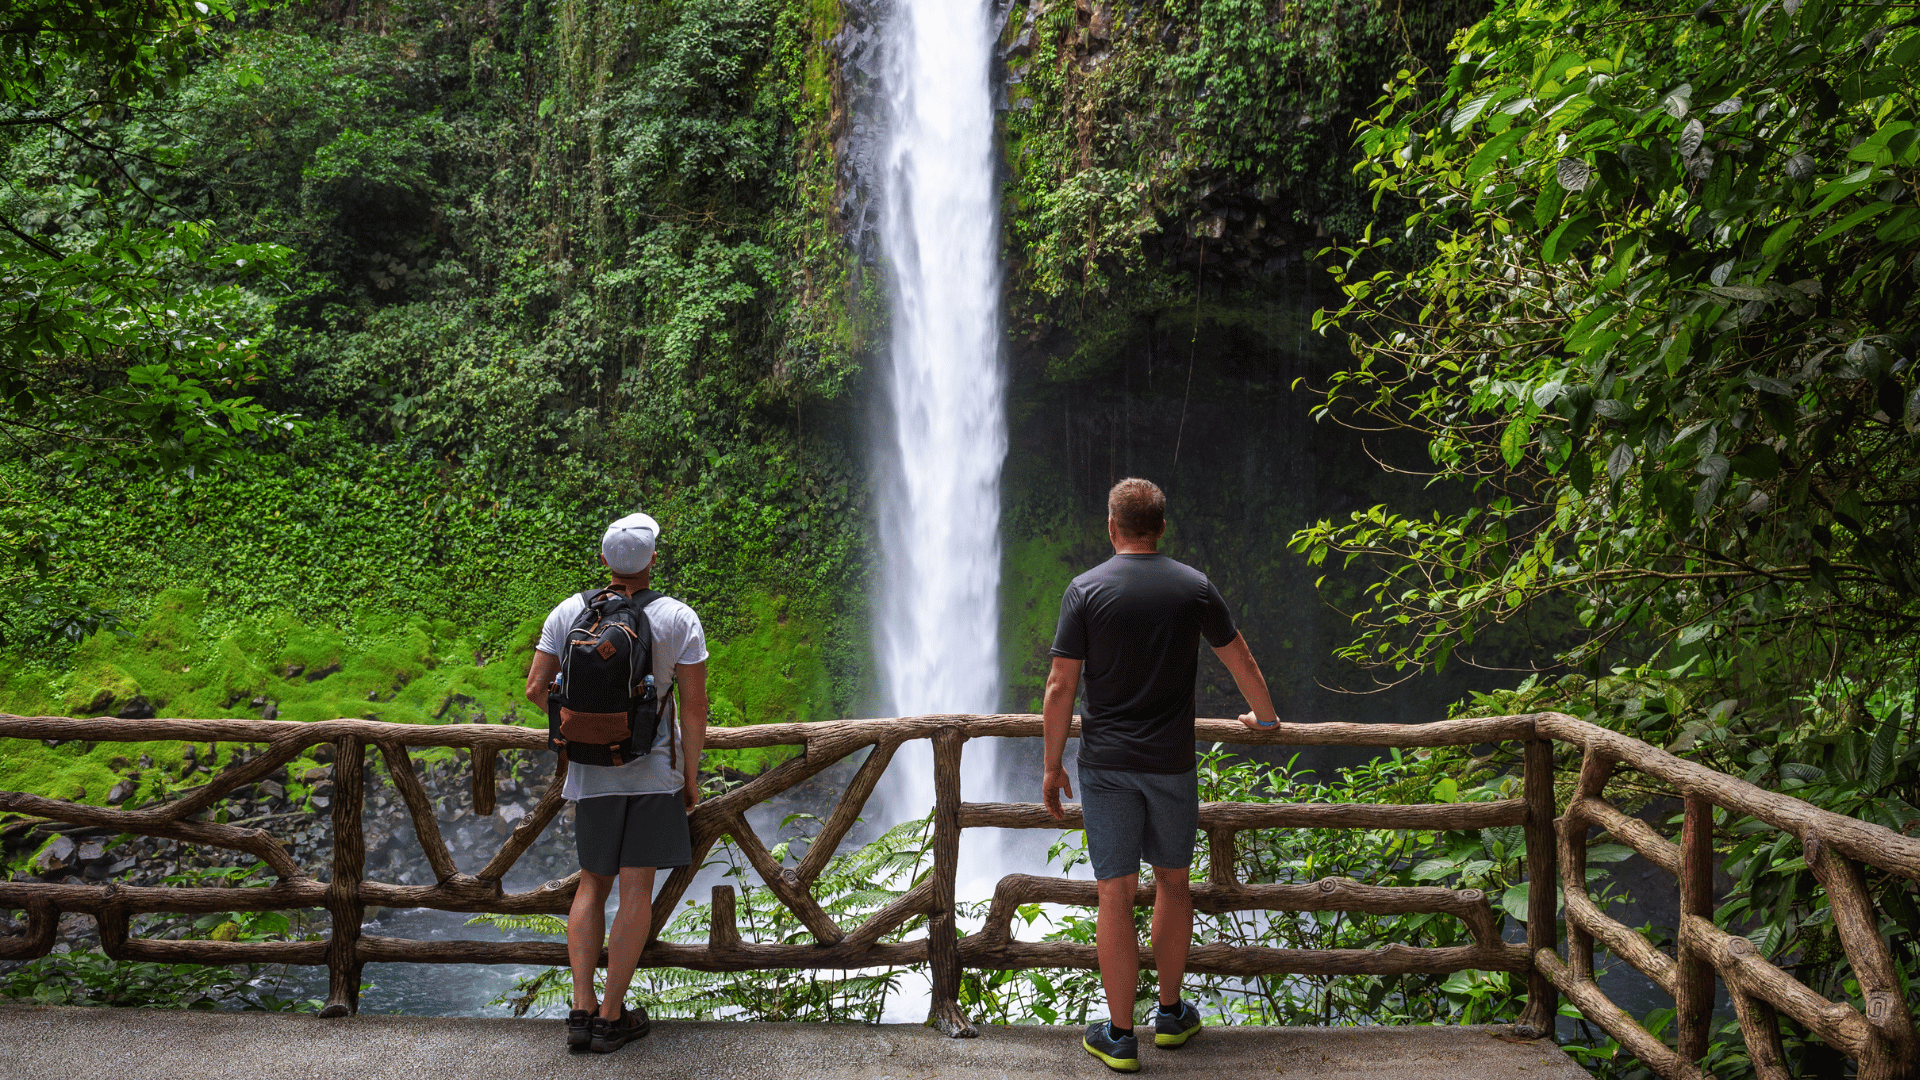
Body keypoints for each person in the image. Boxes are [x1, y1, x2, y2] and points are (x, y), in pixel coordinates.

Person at [1041, 478, 1278, 1073]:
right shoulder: (1193, 587)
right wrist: (1267, 719)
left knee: (1114, 893)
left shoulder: (1084, 590)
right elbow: (1240, 657)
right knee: (1174, 884)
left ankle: (1120, 1036)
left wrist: (1050, 766)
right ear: (1162, 528)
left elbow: (1060, 686)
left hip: (1108, 767)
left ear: (1112, 527)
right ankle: (1170, 1016)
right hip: (1172, 763)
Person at [524, 512, 709, 1055]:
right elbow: (694, 710)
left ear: (604, 560)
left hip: (591, 772)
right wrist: (691, 777)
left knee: (591, 884)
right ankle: (611, 1017)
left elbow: (537, 689)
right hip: (654, 774)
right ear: (653, 560)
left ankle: (580, 1012)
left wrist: (581, 734)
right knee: (635, 890)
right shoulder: (679, 618)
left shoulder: (569, 612)